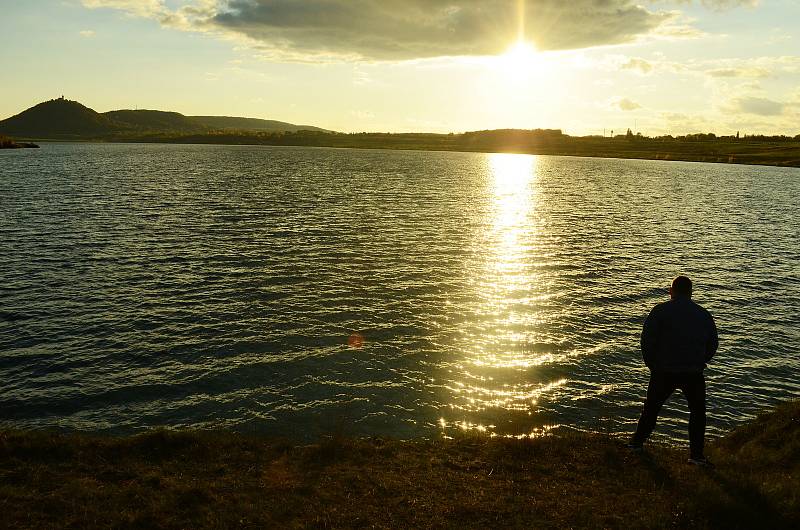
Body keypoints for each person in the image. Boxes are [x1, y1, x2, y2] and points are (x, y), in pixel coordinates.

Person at [628, 276, 718, 466]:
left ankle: (636, 444)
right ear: (691, 292)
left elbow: (647, 340)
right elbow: (713, 344)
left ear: (672, 291)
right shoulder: (703, 314)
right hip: (693, 372)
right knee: (698, 413)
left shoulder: (660, 311)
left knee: (651, 409)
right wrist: (700, 360)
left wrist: (651, 364)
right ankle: (696, 455)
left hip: (663, 370)